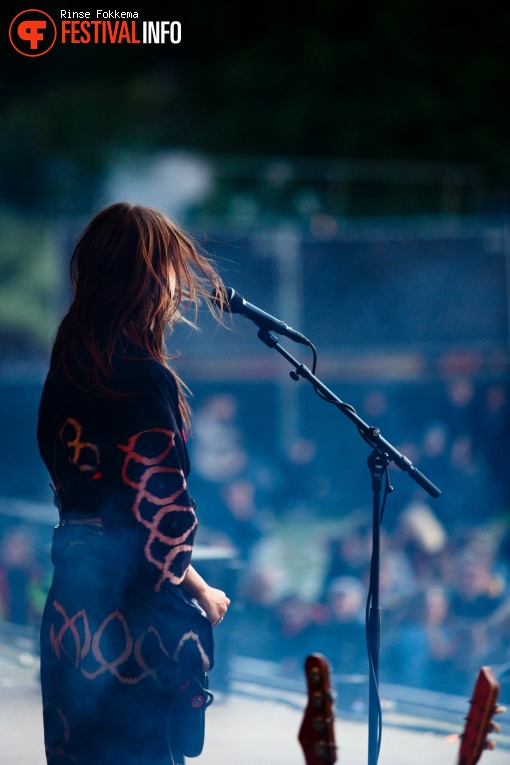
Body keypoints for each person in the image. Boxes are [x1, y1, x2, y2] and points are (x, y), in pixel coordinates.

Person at [37, 202, 231, 765]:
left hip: (71, 620)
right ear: (145, 277)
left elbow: (109, 514)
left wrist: (197, 586)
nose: (179, 284)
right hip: (132, 637)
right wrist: (193, 588)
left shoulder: (66, 369)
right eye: (171, 267)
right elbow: (163, 525)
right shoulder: (143, 378)